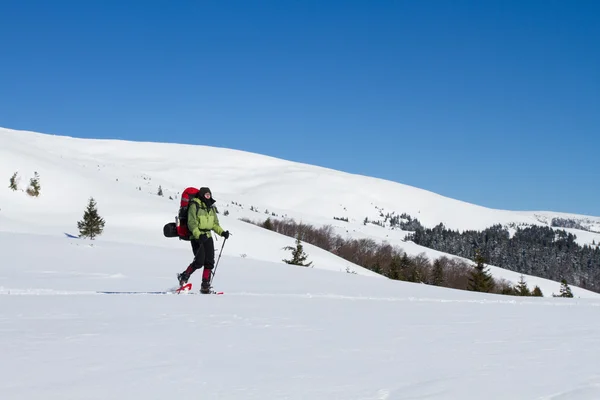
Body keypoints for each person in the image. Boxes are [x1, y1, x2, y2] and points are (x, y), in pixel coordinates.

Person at [177, 187, 230, 293]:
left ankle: (205, 286)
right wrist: (199, 235)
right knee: (199, 261)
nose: (208, 196)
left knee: (209, 262)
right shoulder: (194, 205)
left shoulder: (210, 207)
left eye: (209, 195)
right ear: (201, 195)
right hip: (197, 237)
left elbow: (214, 224)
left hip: (208, 236)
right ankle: (184, 276)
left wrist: (222, 232)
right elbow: (191, 223)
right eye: (206, 195)